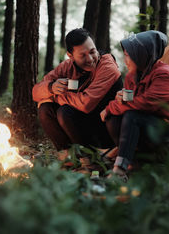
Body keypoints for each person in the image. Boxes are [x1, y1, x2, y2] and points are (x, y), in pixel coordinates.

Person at [100, 30, 169, 179]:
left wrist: (110, 107)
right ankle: (135, 162)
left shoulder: (163, 74)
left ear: (141, 55)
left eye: (128, 56)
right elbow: (130, 103)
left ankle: (120, 170)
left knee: (131, 115)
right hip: (151, 126)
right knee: (113, 119)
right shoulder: (132, 76)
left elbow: (144, 104)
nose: (125, 61)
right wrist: (119, 101)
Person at [32, 28, 123, 156]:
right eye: (82, 55)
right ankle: (68, 157)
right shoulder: (67, 66)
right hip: (82, 125)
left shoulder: (107, 66)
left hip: (106, 128)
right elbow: (35, 92)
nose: (90, 59)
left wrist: (56, 96)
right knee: (45, 108)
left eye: (93, 51)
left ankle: (90, 160)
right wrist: (51, 87)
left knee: (64, 112)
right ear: (71, 56)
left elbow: (86, 104)